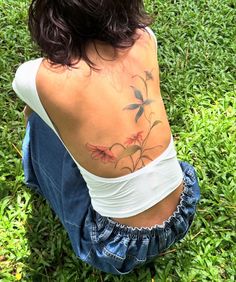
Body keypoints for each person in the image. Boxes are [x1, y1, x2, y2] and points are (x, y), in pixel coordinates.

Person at [12, 0, 200, 275]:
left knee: (41, 122)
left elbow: (31, 115)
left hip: (115, 247)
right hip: (183, 211)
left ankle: (36, 178)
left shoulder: (36, 77)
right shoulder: (145, 38)